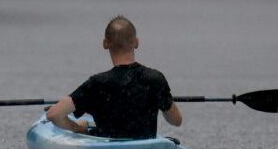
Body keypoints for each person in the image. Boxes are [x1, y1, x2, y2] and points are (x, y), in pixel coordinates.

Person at [47, 16, 183, 139]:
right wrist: (163, 101)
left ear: (105, 43)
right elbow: (176, 121)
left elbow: (54, 114)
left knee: (84, 124)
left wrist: (78, 128)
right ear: (136, 42)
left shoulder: (97, 83)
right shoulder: (155, 79)